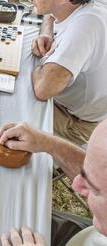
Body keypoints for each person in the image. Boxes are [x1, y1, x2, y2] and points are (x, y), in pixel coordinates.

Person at [0, 121, 107, 246]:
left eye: (94, 189)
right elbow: (100, 172)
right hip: (78, 241)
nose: (75, 185)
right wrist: (47, 143)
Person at [30, 0, 107, 145]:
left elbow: (42, 88)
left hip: (75, 123)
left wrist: (48, 57)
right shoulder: (77, 6)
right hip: (66, 103)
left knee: (4, 122)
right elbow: (51, 14)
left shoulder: (86, 24)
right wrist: (47, 33)